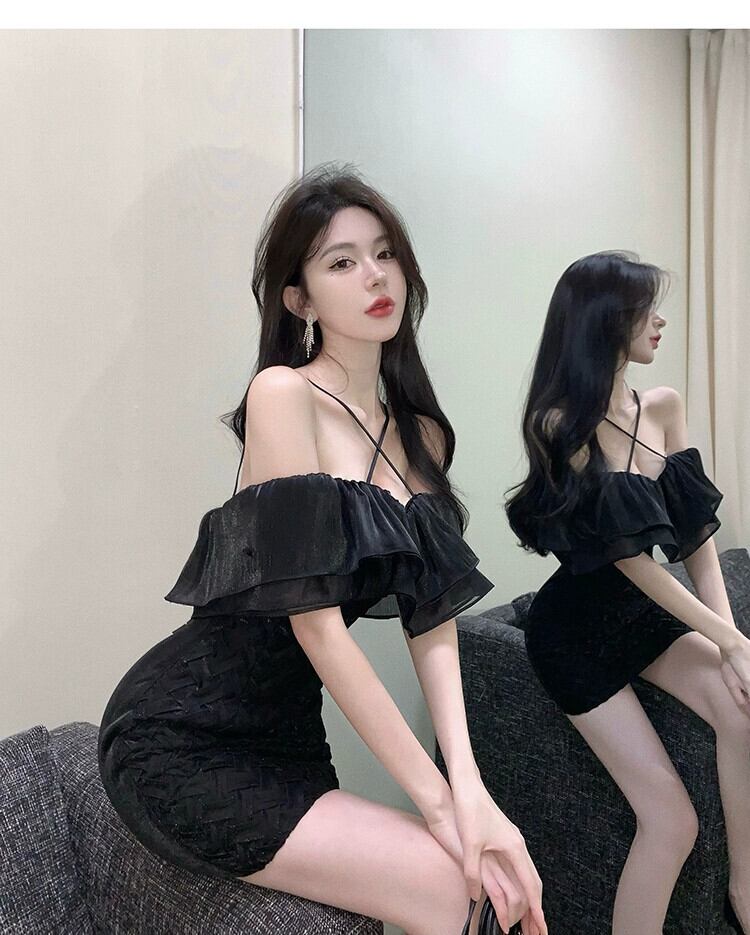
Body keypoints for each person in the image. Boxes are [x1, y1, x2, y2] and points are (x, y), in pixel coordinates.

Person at [98, 166, 547, 935]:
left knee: (493, 885)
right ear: (299, 300)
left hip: (291, 734)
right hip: (185, 734)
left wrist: (470, 785)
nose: (375, 274)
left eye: (384, 253)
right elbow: (315, 626)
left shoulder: (421, 435)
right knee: (466, 892)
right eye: (342, 261)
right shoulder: (284, 395)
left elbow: (431, 621)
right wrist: (443, 807)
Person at [505, 250, 750, 935]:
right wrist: (726, 639)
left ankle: (745, 887)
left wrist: (733, 643)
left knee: (742, 707)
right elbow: (634, 562)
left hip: (643, 618)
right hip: (574, 636)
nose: (659, 322)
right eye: (647, 310)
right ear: (607, 320)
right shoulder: (559, 425)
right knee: (670, 821)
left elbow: (696, 537)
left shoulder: (662, 406)